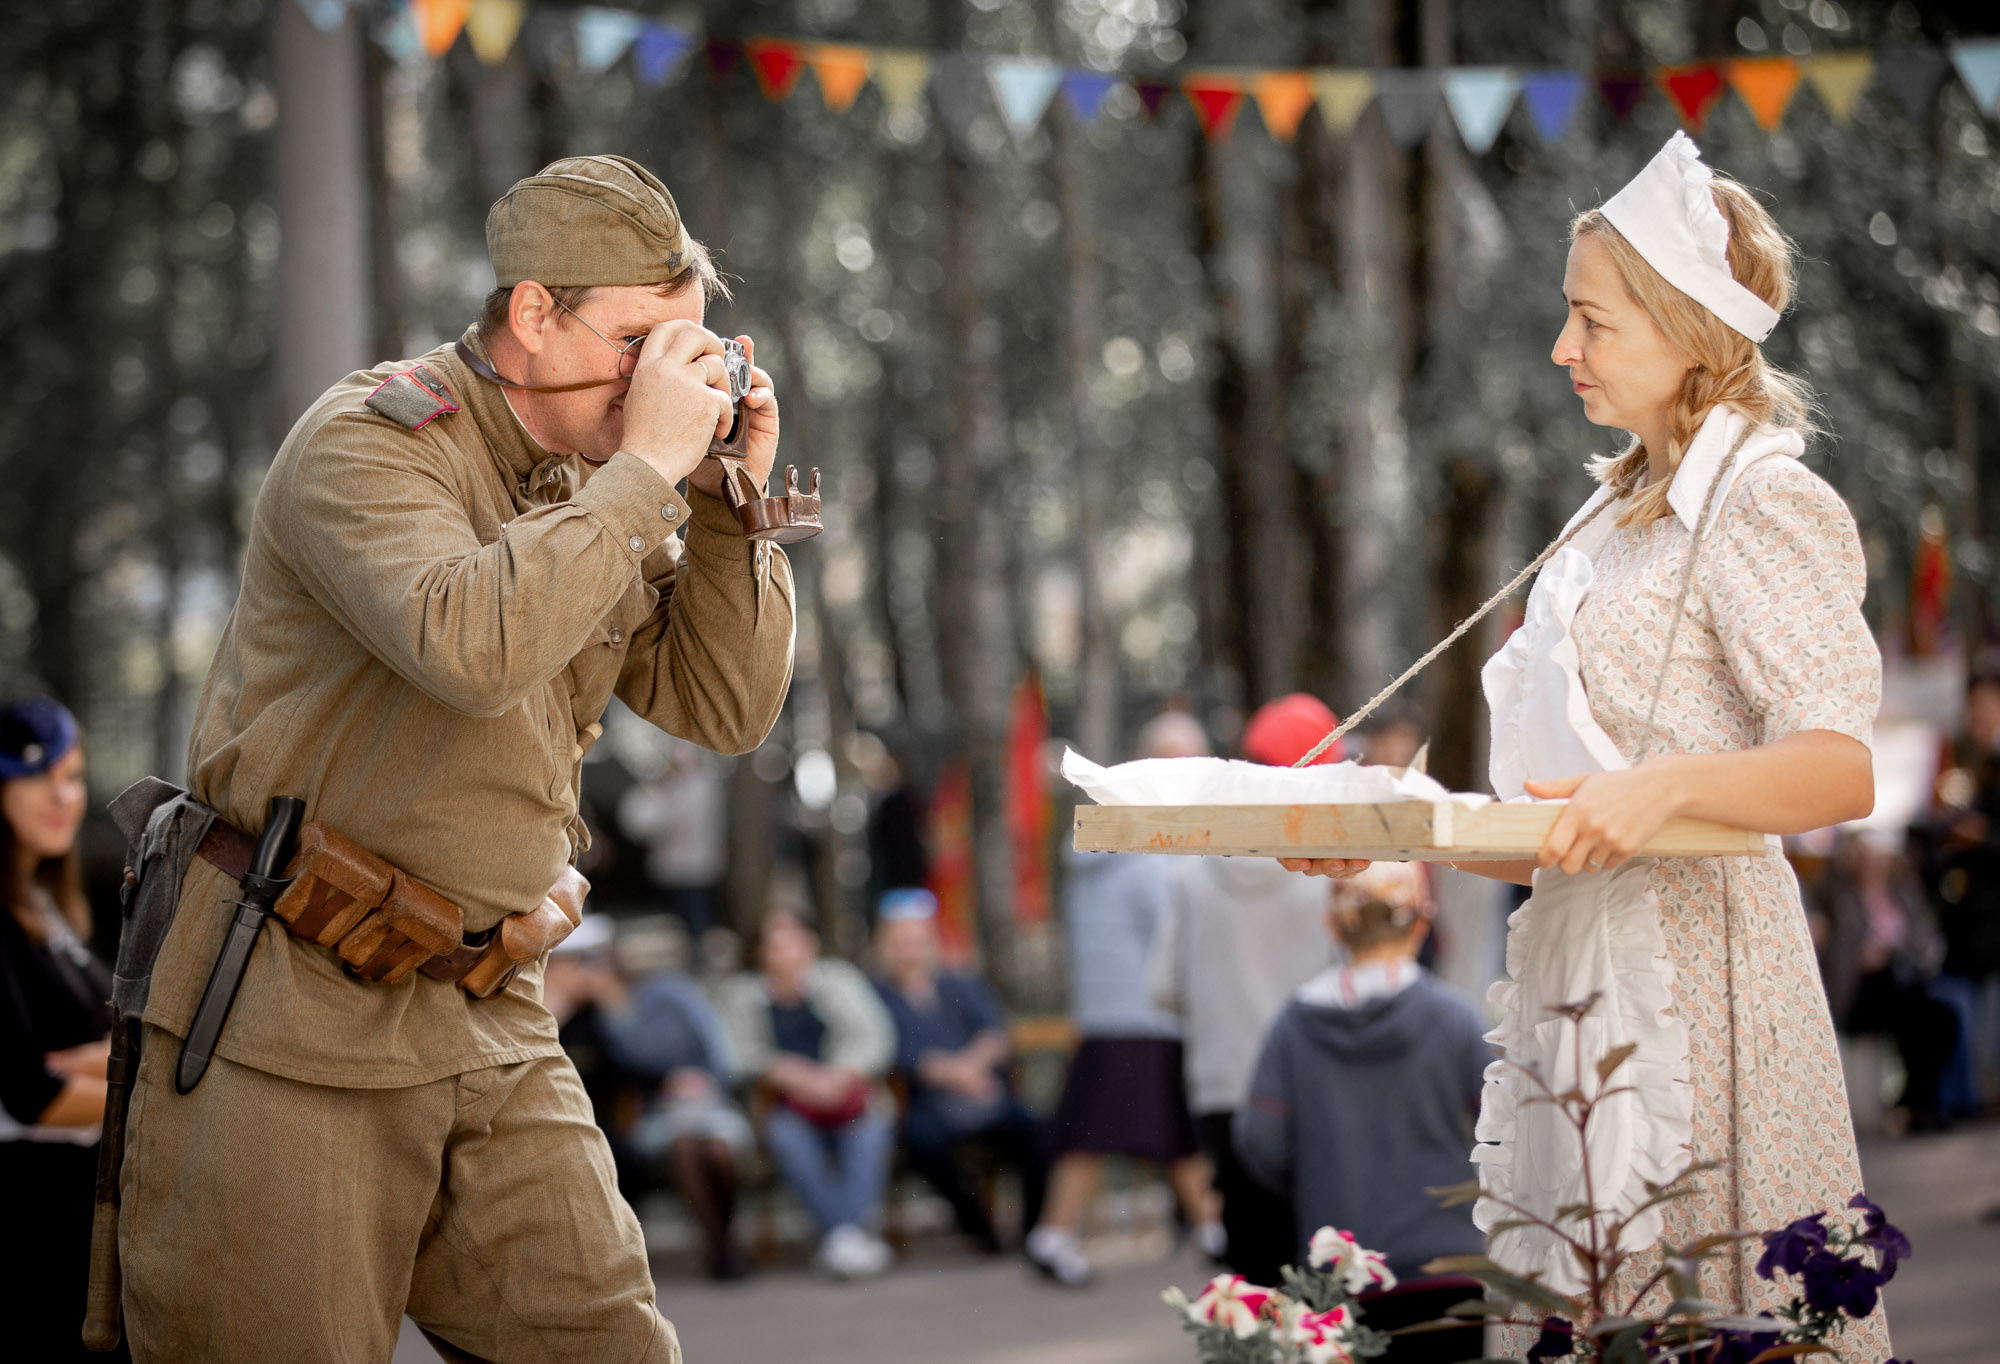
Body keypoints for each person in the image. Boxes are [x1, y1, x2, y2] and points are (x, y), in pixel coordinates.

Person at [107, 155, 796, 1362]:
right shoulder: (372, 442)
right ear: (534, 313)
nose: (668, 382)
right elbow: (469, 641)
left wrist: (732, 501)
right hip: (292, 1006)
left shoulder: (597, 477)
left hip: (490, 1010)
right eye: (642, 342)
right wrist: (641, 474)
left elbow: (723, 704)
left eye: (690, 349)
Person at [1285, 134, 1891, 1353]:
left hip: (1705, 988)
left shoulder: (1759, 497)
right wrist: (1396, 832)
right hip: (1583, 980)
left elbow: (1841, 762)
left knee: (1721, 1320)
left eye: (1591, 321)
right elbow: (1567, 820)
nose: (1562, 348)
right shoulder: (1612, 518)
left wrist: (1657, 788)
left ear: (1684, 330)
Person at [1234, 863, 1488, 1363]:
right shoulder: (1453, 1017)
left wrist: (1315, 1174)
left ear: (1332, 925)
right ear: (1422, 923)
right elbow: (1506, 1122)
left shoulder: (1293, 1024)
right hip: (1447, 1264)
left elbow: (1259, 1138)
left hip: (1341, 1268)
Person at [1148, 694, 1341, 1283]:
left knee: (1252, 1262)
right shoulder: (1337, 871)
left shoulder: (1193, 869)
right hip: (1317, 1083)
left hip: (1225, 1083)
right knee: (1325, 1257)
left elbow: (1161, 986)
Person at [1030, 710, 1221, 1288]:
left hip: (1118, 1009)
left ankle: (1211, 1228)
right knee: (1105, 1133)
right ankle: (1057, 1234)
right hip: (1143, 1010)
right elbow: (1173, 929)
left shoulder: (1110, 829)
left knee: (1146, 1129)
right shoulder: (1143, 837)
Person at [1, 698, 127, 1362]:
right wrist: (146, 1093)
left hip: (81, 1228)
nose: (62, 794)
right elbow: (28, 1092)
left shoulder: (45, 907)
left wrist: (101, 1066)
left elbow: (53, 1067)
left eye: (74, 775)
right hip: (30, 1239)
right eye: (36, 773)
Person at [544, 915, 752, 1279]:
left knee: (716, 1148)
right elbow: (630, 1067)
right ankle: (721, 1252)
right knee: (684, 1145)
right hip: (645, 1116)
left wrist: (710, 1082)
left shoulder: (665, 992)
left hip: (702, 1103)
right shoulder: (592, 1012)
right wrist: (600, 1006)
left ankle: (723, 1247)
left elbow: (710, 1045)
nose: (587, 971)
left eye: (592, 959)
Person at [717, 905, 897, 1279]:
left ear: (812, 943)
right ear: (759, 952)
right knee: (788, 1139)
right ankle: (850, 1237)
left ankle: (841, 1239)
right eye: (777, 944)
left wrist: (839, 1074)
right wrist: (786, 1071)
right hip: (784, 1104)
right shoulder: (741, 995)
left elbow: (876, 1037)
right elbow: (734, 1053)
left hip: (847, 1095)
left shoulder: (840, 981)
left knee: (870, 1131)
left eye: (796, 941)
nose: (789, 952)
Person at [871, 887, 1049, 1255]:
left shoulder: (960, 984)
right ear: (886, 944)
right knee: (924, 1146)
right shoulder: (877, 995)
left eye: (917, 940)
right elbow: (892, 1052)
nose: (910, 949)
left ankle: (1033, 1231)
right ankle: (980, 1227)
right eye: (901, 940)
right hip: (926, 1102)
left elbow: (996, 1033)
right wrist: (954, 1074)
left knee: (1039, 1134)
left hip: (983, 1090)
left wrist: (972, 1067)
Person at [1920, 659, 2000, 1117]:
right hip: (1980, 932)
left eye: (1983, 706)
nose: (1976, 717)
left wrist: (1981, 836)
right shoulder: (1982, 767)